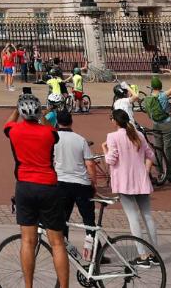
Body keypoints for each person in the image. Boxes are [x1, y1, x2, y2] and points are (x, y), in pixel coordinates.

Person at [3, 93, 70, 288]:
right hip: (48, 185)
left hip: (25, 185)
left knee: (28, 241)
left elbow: (7, 125)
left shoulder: (14, 131)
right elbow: (54, 132)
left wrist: (16, 109)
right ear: (38, 112)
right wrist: (43, 115)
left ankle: (28, 286)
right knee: (57, 242)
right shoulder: (48, 133)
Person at [103, 109, 159, 265]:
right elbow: (151, 155)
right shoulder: (138, 135)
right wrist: (145, 171)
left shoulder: (112, 137)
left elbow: (111, 160)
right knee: (147, 216)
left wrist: (105, 149)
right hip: (141, 180)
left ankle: (142, 255)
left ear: (114, 121)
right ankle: (155, 253)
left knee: (133, 218)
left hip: (124, 181)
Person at [53, 110, 98, 260]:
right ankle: (92, 251)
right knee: (89, 219)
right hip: (81, 184)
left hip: (61, 182)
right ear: (71, 121)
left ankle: (64, 249)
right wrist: (93, 182)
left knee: (63, 218)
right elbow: (90, 164)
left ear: (57, 122)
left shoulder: (54, 139)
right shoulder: (80, 140)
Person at [142, 69, 171, 181]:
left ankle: (160, 173)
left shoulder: (147, 98)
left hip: (155, 125)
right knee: (168, 150)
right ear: (160, 86)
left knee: (158, 149)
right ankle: (169, 174)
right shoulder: (163, 96)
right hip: (167, 124)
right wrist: (170, 71)